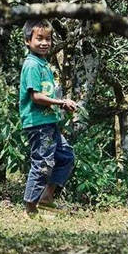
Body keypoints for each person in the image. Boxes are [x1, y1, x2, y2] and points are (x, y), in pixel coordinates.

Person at [19, 19, 77, 215]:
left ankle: (46, 197)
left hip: (49, 122)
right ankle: (30, 206)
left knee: (66, 156)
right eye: (39, 39)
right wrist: (61, 103)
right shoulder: (32, 65)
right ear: (28, 41)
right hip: (37, 123)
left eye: (48, 39)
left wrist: (60, 106)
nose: (44, 43)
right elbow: (36, 97)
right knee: (42, 162)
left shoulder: (43, 64)